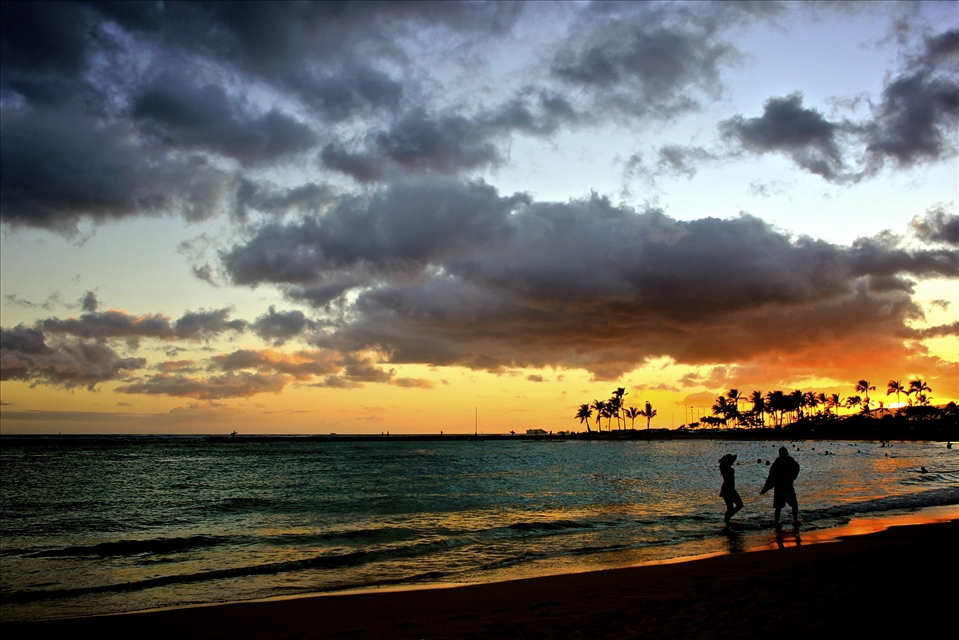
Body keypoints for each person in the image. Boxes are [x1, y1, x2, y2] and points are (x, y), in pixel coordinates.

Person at [760, 447, 800, 526]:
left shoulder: (779, 461)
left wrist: (765, 488)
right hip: (786, 486)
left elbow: (771, 476)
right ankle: (794, 520)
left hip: (780, 487)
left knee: (780, 507)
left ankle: (777, 522)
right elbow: (796, 468)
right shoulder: (788, 460)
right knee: (792, 504)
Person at [719, 453, 743, 524]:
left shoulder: (724, 466)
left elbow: (735, 457)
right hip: (728, 489)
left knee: (732, 507)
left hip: (728, 488)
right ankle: (727, 520)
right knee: (738, 505)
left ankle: (727, 520)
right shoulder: (724, 467)